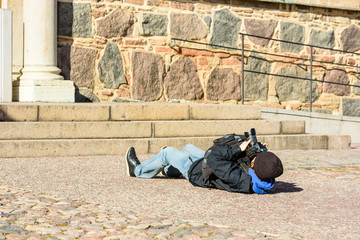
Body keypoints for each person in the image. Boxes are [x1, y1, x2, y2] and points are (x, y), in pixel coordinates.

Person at [125, 139, 283, 194]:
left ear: (255, 167)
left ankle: (137, 170)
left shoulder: (240, 179)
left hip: (198, 173)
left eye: (256, 159)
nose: (254, 159)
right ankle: (169, 170)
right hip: (208, 165)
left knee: (168, 152)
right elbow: (260, 166)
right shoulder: (260, 177)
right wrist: (257, 150)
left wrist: (239, 149)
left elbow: (215, 158)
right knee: (187, 148)